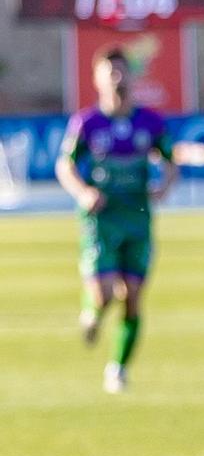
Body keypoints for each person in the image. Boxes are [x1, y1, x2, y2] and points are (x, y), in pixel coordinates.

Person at [57, 46, 176, 394]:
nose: (117, 78)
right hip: (101, 220)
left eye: (122, 71)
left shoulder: (150, 122)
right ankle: (91, 313)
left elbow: (170, 160)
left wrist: (164, 186)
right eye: (110, 72)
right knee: (105, 294)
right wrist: (83, 192)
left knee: (134, 297)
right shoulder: (86, 123)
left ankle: (118, 368)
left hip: (138, 219)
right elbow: (64, 165)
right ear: (97, 79)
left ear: (132, 76)